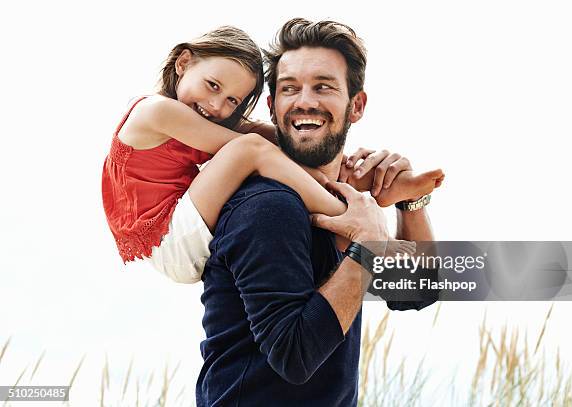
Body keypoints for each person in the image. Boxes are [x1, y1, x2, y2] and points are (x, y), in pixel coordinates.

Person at [196, 18, 440, 407]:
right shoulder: (268, 205)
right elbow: (295, 355)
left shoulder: (342, 204)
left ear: (356, 105)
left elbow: (416, 291)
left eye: (323, 86)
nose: (304, 100)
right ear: (273, 106)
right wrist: (370, 245)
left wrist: (410, 203)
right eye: (289, 88)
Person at [101, 26, 444, 284]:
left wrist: (367, 174)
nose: (218, 106)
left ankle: (366, 191)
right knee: (250, 149)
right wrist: (368, 234)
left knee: (255, 144)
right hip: (169, 236)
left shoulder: (204, 121)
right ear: (184, 62)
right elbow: (255, 144)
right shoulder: (157, 111)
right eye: (213, 86)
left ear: (356, 105)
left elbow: (416, 289)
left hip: (180, 229)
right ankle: (352, 211)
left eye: (233, 101)